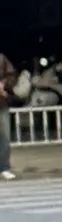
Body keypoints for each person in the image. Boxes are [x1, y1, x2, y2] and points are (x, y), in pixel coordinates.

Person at [0, 49, 17, 179]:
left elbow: (11, 75)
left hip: (1, 103)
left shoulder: (1, 58)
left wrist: (3, 84)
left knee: (5, 137)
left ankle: (4, 167)